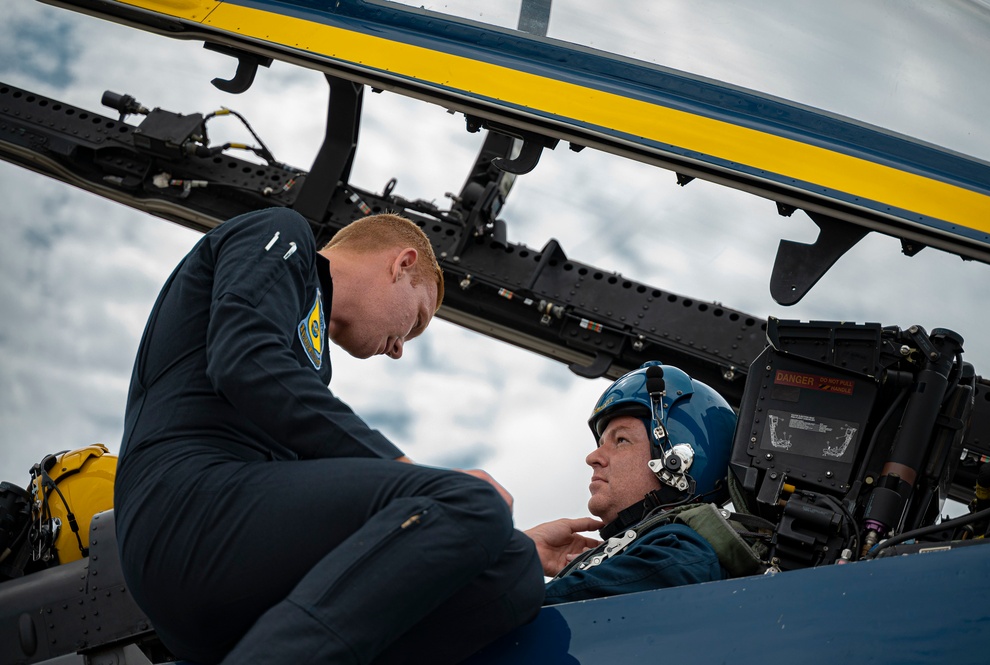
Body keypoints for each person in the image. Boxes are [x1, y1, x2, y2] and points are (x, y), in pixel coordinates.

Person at [113, 207, 543, 665]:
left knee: (513, 571)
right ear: (402, 264)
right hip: (184, 508)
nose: (399, 348)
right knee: (471, 500)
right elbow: (244, 358)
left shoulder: (314, 364)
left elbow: (315, 500)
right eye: (414, 322)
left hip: (239, 569)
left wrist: (475, 543)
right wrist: (405, 474)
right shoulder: (280, 231)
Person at [525, 361, 749, 604]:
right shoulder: (669, 558)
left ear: (678, 460)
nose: (593, 458)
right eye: (601, 444)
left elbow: (506, 619)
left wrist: (515, 556)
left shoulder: (677, 558)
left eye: (621, 440)